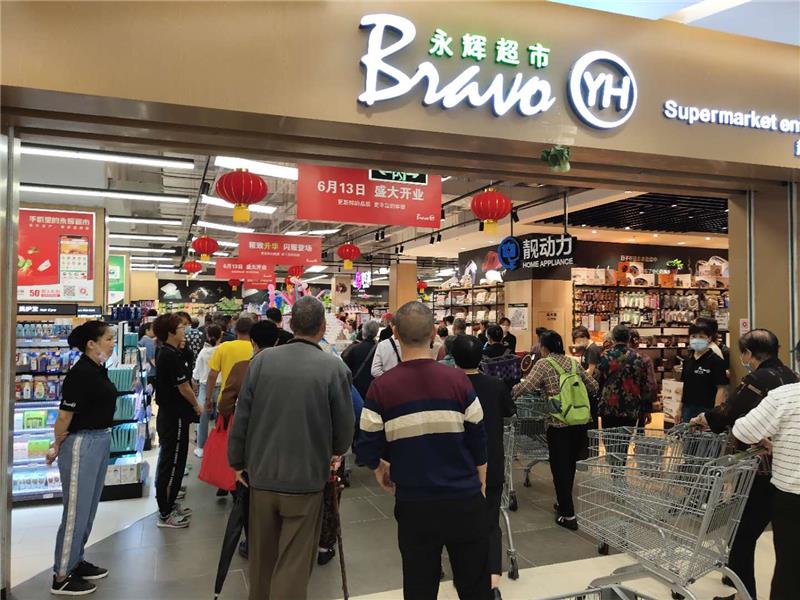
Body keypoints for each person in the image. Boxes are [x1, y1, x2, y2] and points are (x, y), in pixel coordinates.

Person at [355, 301, 490, 600]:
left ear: (395, 333)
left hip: (414, 502)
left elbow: (366, 446)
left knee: (419, 584)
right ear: (433, 333)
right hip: (463, 498)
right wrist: (480, 483)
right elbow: (478, 439)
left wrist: (380, 469)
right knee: (474, 583)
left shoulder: (381, 388)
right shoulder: (458, 381)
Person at [228, 296, 354, 600]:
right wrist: (336, 451)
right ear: (322, 326)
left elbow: (242, 416)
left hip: (262, 474)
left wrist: (237, 461)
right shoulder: (333, 368)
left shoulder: (261, 362)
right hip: (306, 478)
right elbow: (343, 429)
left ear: (290, 324)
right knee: (295, 560)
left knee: (261, 557)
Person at [689, 330, 798, 600]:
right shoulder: (790, 376)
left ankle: (743, 594)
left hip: (764, 472)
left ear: (748, 354)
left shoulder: (758, 380)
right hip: (784, 467)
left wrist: (704, 419)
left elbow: (732, 414)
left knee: (742, 533)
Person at [48, 321, 116, 596]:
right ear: (91, 343)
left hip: (99, 439)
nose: (112, 343)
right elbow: (65, 416)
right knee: (76, 511)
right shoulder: (80, 373)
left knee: (88, 509)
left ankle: (76, 560)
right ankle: (61, 575)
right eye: (108, 338)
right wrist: (56, 445)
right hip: (81, 443)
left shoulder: (97, 368)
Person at [513, 330, 597, 530]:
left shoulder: (544, 363)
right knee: (569, 466)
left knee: (559, 469)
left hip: (559, 424)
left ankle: (568, 516)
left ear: (544, 348)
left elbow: (527, 386)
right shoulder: (573, 363)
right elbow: (593, 385)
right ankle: (562, 502)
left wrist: (510, 392)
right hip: (579, 421)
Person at [453, 335, 516, 600]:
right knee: (490, 520)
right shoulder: (495, 385)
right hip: (492, 462)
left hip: (459, 465)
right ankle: (492, 579)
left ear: (454, 358)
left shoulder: (450, 386)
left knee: (459, 521)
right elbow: (509, 411)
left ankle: (465, 576)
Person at [731, 381, 800, 600]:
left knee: (789, 570)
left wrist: (768, 437)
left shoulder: (785, 396)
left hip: (792, 496)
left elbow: (743, 430)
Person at [152, 314, 201, 529]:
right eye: (181, 328)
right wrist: (196, 405)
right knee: (172, 462)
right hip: (174, 414)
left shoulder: (170, 351)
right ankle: (165, 512)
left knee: (175, 460)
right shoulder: (168, 354)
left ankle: (170, 504)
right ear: (171, 332)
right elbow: (183, 387)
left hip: (173, 413)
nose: (184, 331)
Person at [595, 325, 653, 430]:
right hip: (631, 407)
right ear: (629, 338)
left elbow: (597, 380)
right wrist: (647, 409)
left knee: (609, 438)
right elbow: (645, 385)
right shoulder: (638, 358)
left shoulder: (605, 356)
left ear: (613, 338)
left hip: (609, 407)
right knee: (625, 439)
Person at [676, 320, 728, 423]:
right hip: (688, 408)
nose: (697, 339)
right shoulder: (687, 360)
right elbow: (685, 386)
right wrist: (679, 408)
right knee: (687, 433)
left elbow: (721, 388)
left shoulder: (716, 360)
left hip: (707, 409)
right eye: (693, 336)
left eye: (701, 336)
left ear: (709, 338)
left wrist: (715, 413)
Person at [191, 324, 222, 459]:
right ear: (221, 335)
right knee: (221, 418)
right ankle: (220, 446)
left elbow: (196, 374)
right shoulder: (222, 350)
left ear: (208, 336)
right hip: (221, 386)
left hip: (205, 387)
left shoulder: (203, 352)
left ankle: (201, 447)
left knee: (203, 418)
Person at [343, 320, 380, 400]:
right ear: (376, 332)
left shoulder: (355, 349)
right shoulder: (380, 349)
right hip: (374, 388)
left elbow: (346, 369)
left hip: (357, 387)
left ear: (363, 331)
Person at [629, 329, 659, 426]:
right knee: (640, 431)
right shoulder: (645, 359)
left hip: (620, 403)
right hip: (641, 402)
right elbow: (651, 384)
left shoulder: (616, 358)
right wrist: (652, 404)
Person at [138, 321, 157, 386]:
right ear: (147, 331)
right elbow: (152, 358)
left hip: (146, 372)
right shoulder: (148, 341)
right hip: (151, 373)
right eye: (153, 329)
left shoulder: (143, 340)